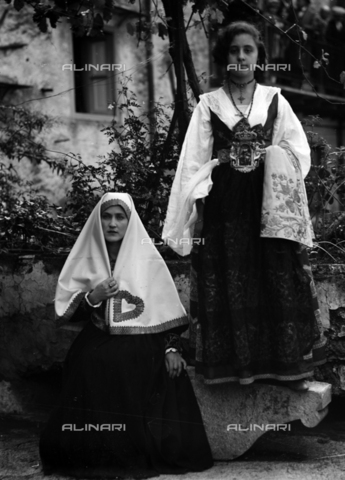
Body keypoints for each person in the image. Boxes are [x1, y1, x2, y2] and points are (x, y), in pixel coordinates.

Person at [162, 22, 326, 392]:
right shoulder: (209, 105)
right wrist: (195, 208)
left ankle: (286, 370)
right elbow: (192, 161)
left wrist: (273, 156)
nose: (240, 57)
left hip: (270, 205)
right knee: (231, 281)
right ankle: (236, 371)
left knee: (278, 278)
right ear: (224, 58)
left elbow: (299, 152)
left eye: (248, 50)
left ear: (258, 57)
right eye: (234, 51)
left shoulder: (274, 100)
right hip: (225, 208)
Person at [39, 192, 213, 479]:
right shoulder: (86, 254)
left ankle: (133, 446)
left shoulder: (147, 257)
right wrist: (93, 297)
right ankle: (98, 449)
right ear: (98, 220)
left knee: (136, 366)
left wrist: (172, 350)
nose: (112, 223)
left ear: (129, 221)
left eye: (120, 217)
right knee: (90, 364)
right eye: (106, 216)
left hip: (144, 338)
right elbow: (66, 312)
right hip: (98, 335)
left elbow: (166, 311)